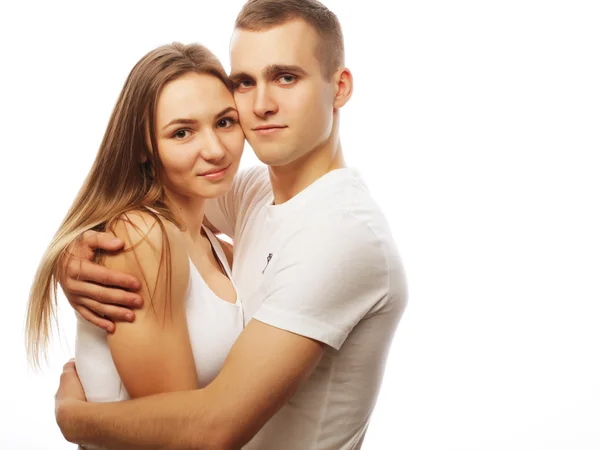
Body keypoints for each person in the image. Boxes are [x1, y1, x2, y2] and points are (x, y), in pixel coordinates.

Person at [54, 1, 408, 449]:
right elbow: (161, 193)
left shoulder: (341, 232)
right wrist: (76, 252)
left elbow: (211, 431)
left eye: (286, 77)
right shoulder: (254, 193)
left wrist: (72, 419)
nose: (261, 105)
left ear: (339, 87)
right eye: (244, 82)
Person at [26, 42, 245, 414]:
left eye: (224, 122)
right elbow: (180, 432)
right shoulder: (143, 236)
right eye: (182, 133)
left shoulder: (218, 248)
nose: (215, 149)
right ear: (143, 147)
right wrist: (72, 419)